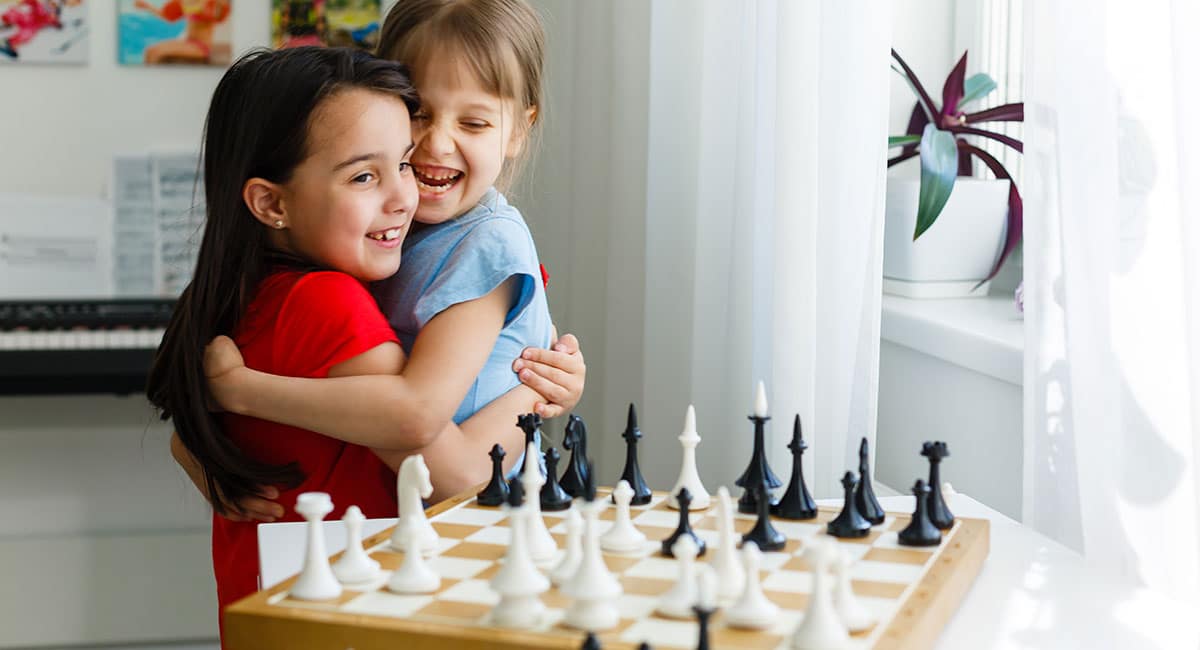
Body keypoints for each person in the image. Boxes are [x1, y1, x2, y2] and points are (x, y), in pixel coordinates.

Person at [147, 46, 575, 618]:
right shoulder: (329, 303)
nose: (405, 195)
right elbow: (460, 474)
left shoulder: (237, 295)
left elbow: (188, 440)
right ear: (271, 202)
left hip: (271, 606)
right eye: (364, 176)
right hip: (348, 606)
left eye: (403, 163)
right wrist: (539, 386)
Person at [201, 0, 579, 506]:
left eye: (474, 124)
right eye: (418, 111)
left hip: (473, 519)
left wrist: (245, 391)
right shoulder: (388, 233)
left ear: (517, 130)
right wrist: (211, 465)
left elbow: (423, 419)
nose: (437, 144)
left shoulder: (486, 243)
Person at [132, 0, 230, 65]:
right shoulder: (185, 2)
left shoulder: (212, 3)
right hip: (188, 42)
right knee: (149, 51)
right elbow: (167, 15)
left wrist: (221, 4)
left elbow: (220, 16)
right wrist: (147, 6)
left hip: (201, 47)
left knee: (155, 53)